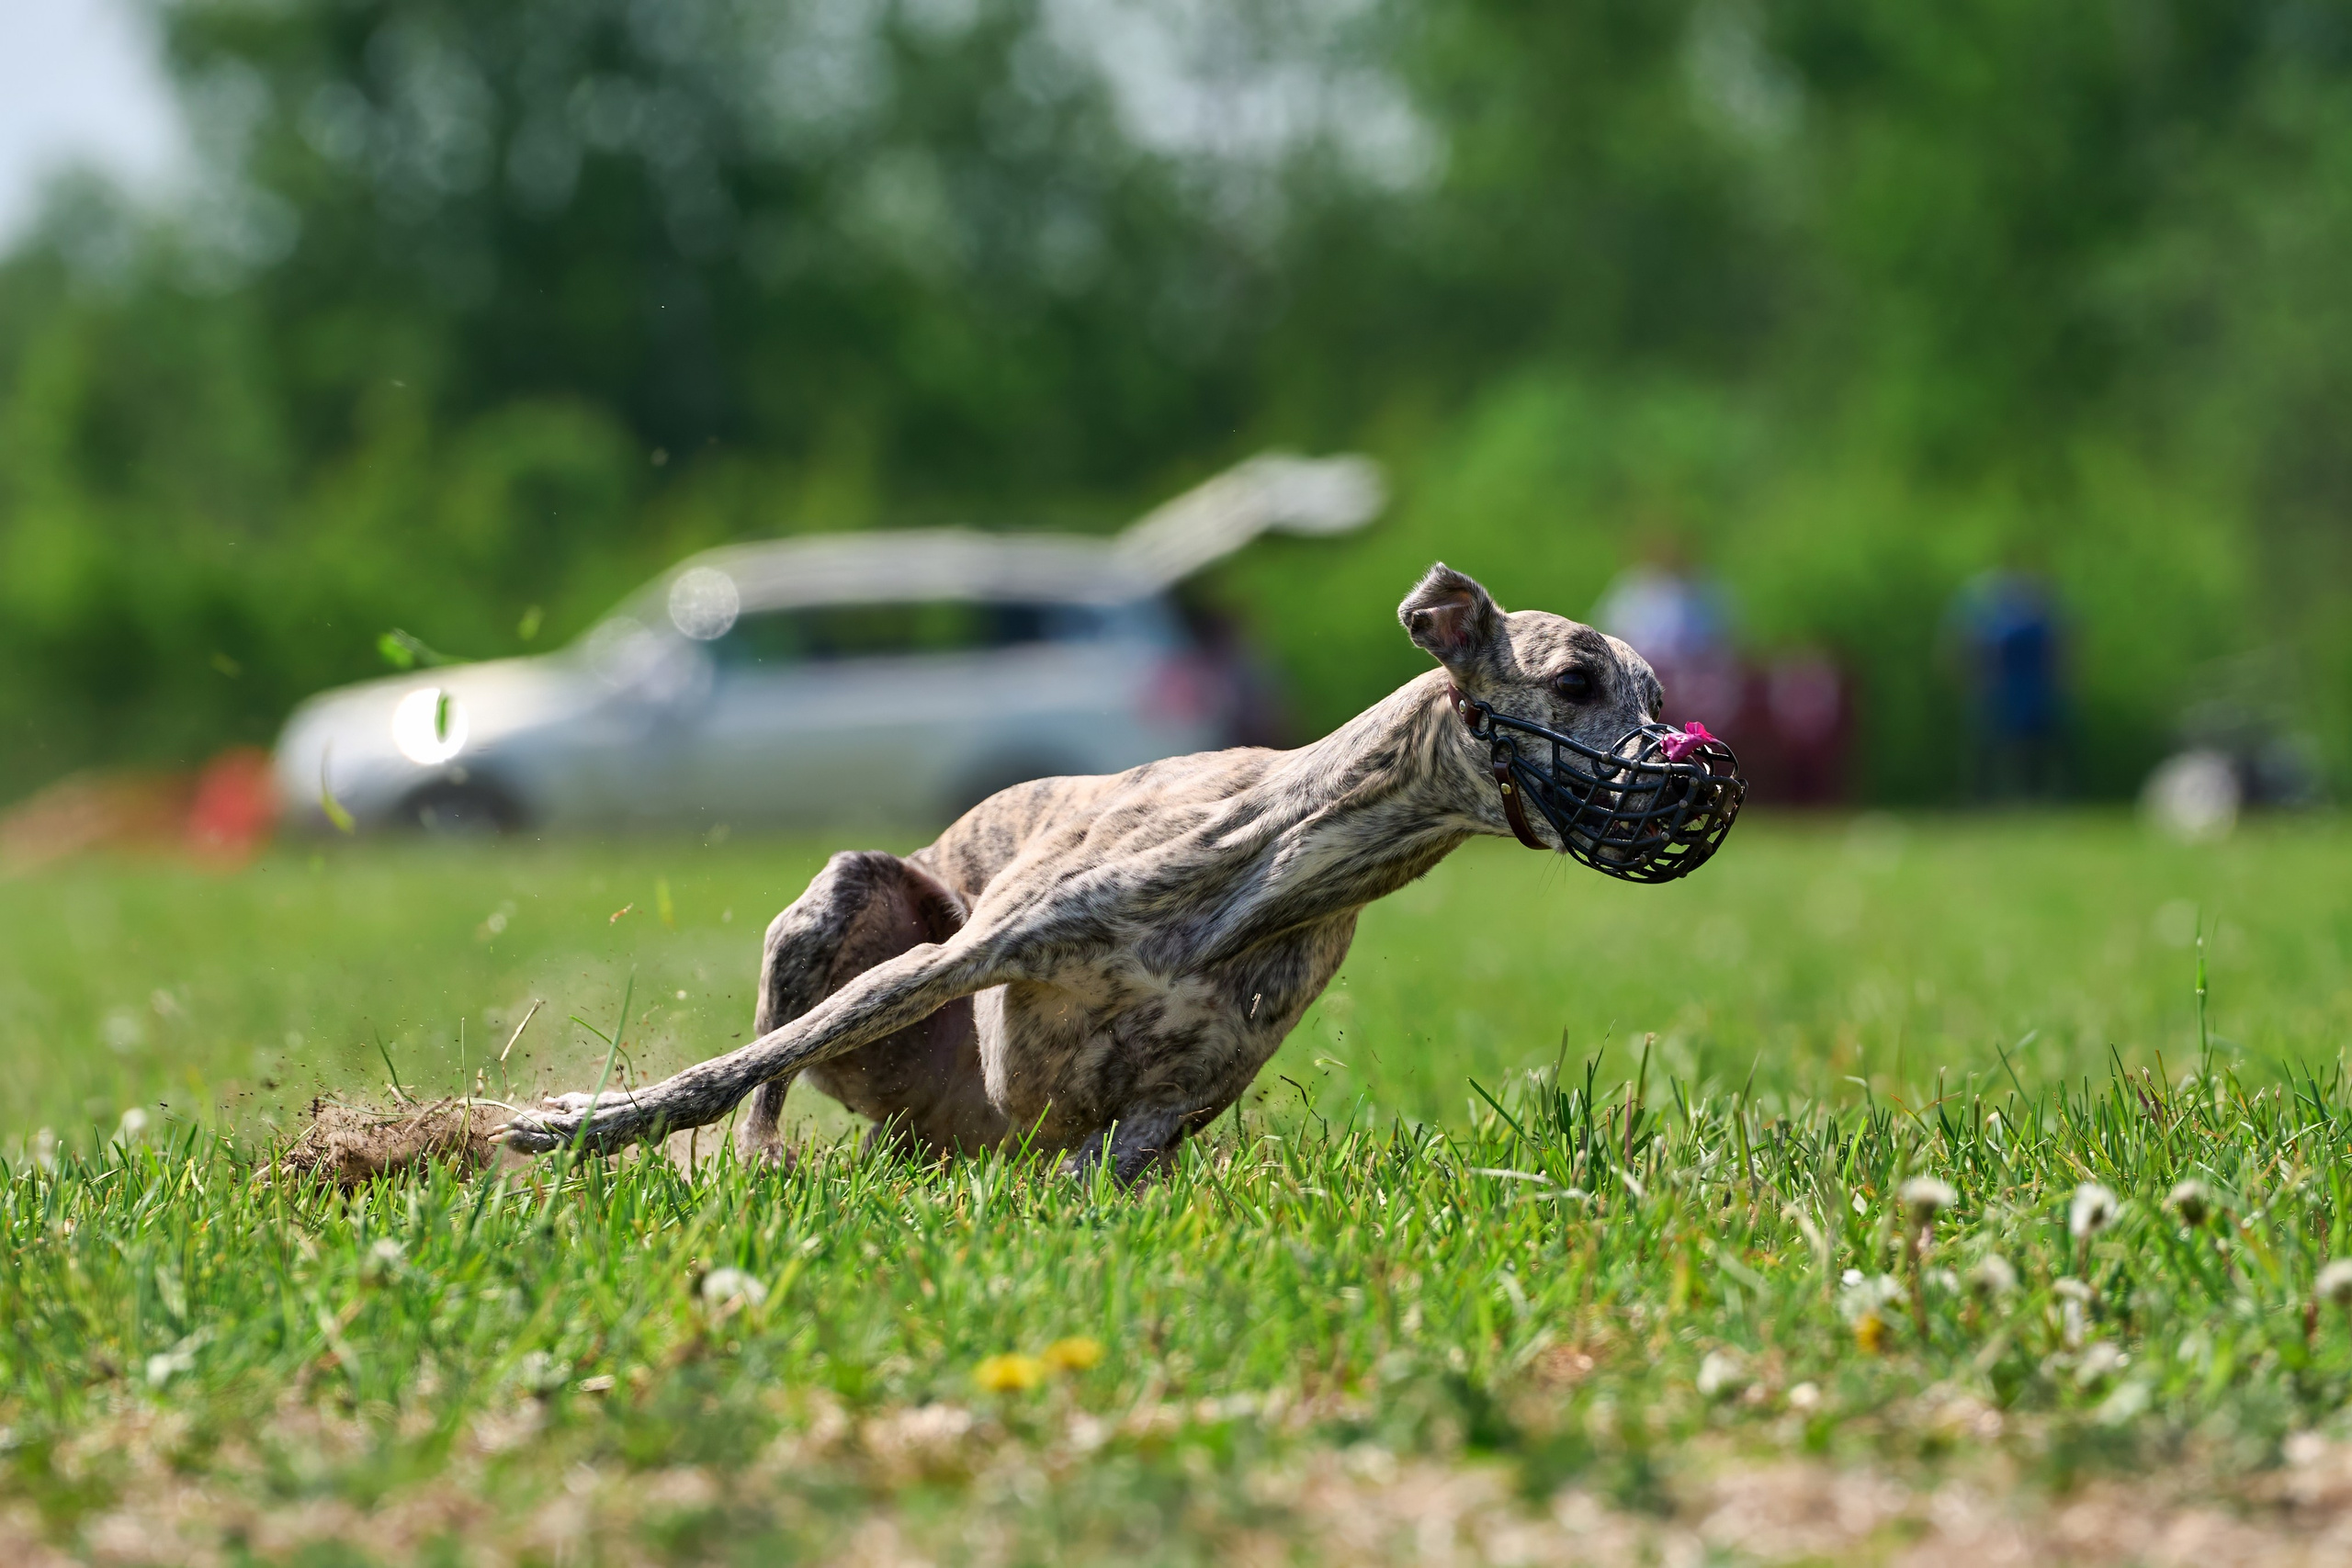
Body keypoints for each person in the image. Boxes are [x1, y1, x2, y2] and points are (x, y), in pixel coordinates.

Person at [1943, 564, 2067, 801]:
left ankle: (2015, 794)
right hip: (2009, 690)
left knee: (2022, 745)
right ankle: (1994, 795)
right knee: (2002, 745)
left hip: (2016, 690)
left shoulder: (2011, 624)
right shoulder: (2016, 622)